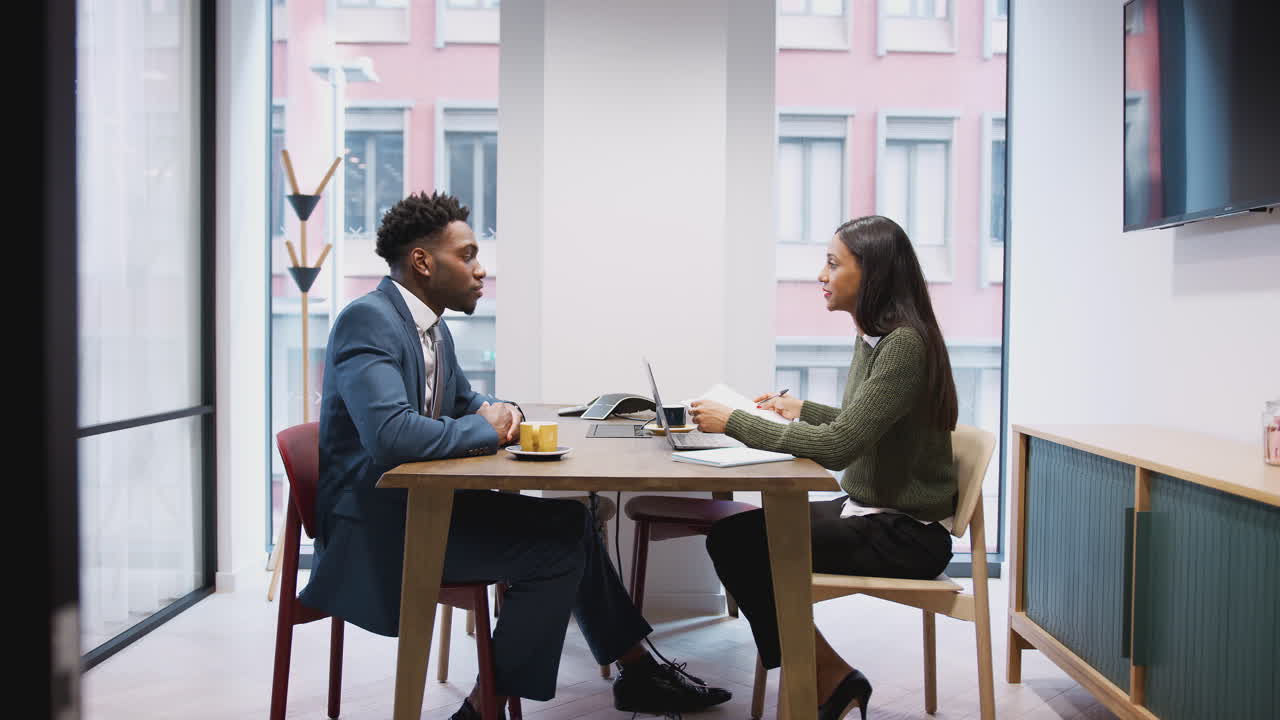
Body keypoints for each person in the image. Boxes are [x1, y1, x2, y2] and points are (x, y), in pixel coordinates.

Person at [300, 191, 731, 720]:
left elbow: (464, 402)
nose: (481, 271)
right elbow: (392, 436)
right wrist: (484, 428)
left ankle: (636, 669)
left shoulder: (431, 327)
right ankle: (487, 708)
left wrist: (499, 411)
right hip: (381, 532)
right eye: (468, 255)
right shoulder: (368, 321)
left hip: (421, 511)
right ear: (422, 262)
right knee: (557, 546)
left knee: (571, 523)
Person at [689, 215, 959, 720]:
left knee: (738, 543)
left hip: (907, 534)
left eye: (833, 264)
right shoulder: (878, 337)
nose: (821, 274)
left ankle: (819, 676)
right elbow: (866, 425)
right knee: (733, 536)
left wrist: (735, 423)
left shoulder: (904, 345)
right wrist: (802, 410)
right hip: (871, 511)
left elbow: (838, 448)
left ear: (873, 273)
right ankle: (824, 671)